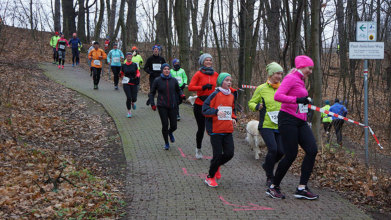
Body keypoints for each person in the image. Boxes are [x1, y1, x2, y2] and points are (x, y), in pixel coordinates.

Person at [269, 55, 319, 200]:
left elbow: (299, 99)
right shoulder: (291, 78)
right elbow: (278, 96)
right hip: (287, 119)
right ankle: (274, 186)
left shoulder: (301, 80)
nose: (310, 71)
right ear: (302, 66)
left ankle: (302, 188)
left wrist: (304, 103)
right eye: (309, 68)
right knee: (291, 154)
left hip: (300, 121)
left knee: (312, 150)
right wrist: (297, 100)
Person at [248, 62, 284, 187]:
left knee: (281, 151)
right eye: (277, 73)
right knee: (273, 149)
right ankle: (270, 176)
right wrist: (257, 106)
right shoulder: (261, 88)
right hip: (266, 125)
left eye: (281, 74)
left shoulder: (284, 88)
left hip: (279, 125)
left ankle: (266, 165)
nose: (279, 76)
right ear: (270, 74)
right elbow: (251, 103)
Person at [202, 73, 237, 187]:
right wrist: (216, 112)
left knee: (229, 153)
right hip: (215, 130)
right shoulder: (214, 95)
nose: (229, 82)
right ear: (221, 81)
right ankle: (210, 177)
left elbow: (232, 109)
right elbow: (205, 110)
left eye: (230, 80)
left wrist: (234, 118)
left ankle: (216, 166)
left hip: (227, 130)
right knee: (217, 155)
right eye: (227, 80)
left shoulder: (232, 95)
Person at [188, 53, 219, 159]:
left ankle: (217, 152)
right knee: (201, 128)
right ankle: (198, 149)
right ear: (202, 62)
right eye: (207, 60)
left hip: (212, 105)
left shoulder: (215, 74)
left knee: (213, 130)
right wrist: (203, 87)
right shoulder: (198, 74)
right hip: (200, 105)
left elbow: (222, 86)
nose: (209, 62)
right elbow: (191, 87)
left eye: (210, 60)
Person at [149, 63, 185, 150]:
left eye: (168, 69)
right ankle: (166, 143)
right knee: (165, 125)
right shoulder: (157, 80)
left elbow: (178, 89)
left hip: (173, 105)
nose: (166, 70)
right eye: (165, 69)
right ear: (162, 70)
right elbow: (152, 93)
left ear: (170, 70)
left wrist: (182, 95)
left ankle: (170, 132)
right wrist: (152, 104)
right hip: (162, 106)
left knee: (174, 126)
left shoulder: (173, 80)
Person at [120, 52, 140, 118]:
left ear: (131, 57)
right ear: (126, 57)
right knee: (129, 97)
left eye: (130, 56)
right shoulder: (123, 66)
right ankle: (129, 112)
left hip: (133, 82)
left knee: (134, 98)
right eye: (128, 56)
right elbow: (121, 73)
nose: (129, 58)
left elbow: (138, 72)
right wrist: (121, 75)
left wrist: (137, 76)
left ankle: (133, 102)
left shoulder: (134, 65)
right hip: (126, 83)